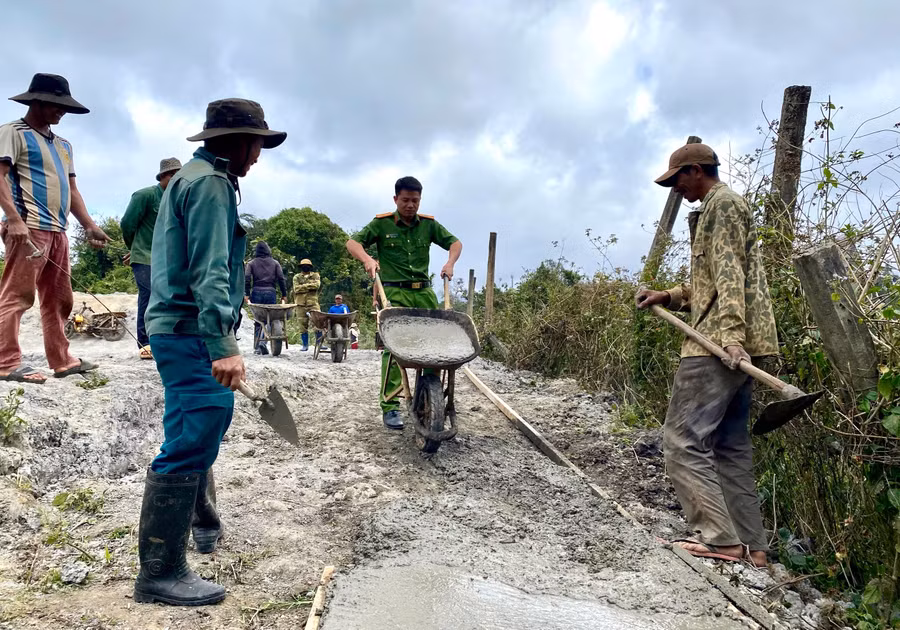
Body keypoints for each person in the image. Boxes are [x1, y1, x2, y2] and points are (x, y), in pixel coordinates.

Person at [136, 98, 285, 606]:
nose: (259, 156)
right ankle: (161, 571)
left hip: (174, 327)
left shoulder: (192, 178)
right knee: (201, 425)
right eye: (258, 145)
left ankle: (190, 539)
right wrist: (223, 344)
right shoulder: (211, 185)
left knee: (189, 428)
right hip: (189, 329)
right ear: (238, 142)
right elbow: (209, 268)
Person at [635, 143, 779, 568]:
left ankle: (720, 540)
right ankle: (753, 549)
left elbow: (731, 276)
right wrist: (669, 295)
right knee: (730, 445)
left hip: (715, 347)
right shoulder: (720, 207)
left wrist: (731, 339)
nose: (675, 190)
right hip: (733, 344)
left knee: (680, 440)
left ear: (696, 171)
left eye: (677, 180)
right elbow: (714, 283)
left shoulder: (723, 206)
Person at [0, 73, 109, 384]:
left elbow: (71, 189)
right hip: (28, 226)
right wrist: (14, 219)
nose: (62, 112)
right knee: (18, 295)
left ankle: (62, 360)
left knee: (60, 299)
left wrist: (89, 225)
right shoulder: (13, 133)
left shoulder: (63, 145)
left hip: (57, 230)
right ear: (37, 102)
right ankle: (6, 362)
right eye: (56, 105)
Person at [346, 176, 461, 429]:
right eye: (406, 200)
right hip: (394, 293)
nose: (411, 205)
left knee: (434, 347)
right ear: (396, 199)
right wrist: (367, 259)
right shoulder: (381, 224)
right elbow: (352, 243)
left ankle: (428, 396)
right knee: (394, 348)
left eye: (415, 201)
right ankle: (390, 405)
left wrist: (450, 263)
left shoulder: (429, 225)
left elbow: (455, 242)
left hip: (424, 294)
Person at [121, 157, 182, 360]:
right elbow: (127, 225)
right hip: (145, 257)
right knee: (148, 296)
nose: (176, 179)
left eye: (178, 175)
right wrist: (135, 249)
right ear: (163, 176)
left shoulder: (178, 199)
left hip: (168, 259)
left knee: (169, 298)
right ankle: (145, 343)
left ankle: (164, 340)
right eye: (172, 175)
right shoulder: (144, 195)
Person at [244, 240, 288, 354]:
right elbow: (281, 279)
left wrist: (246, 294)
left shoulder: (251, 263)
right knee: (270, 319)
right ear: (268, 250)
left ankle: (258, 347)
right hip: (270, 291)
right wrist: (284, 294)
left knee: (258, 319)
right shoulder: (275, 263)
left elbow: (247, 278)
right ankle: (263, 343)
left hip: (257, 291)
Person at [292, 258, 322, 351]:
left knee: (318, 323)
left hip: (313, 303)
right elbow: (296, 289)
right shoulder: (296, 277)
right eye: (303, 266)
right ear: (301, 267)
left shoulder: (315, 275)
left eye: (307, 266)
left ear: (310, 267)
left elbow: (316, 285)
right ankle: (305, 345)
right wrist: (309, 286)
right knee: (302, 325)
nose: (305, 267)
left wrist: (303, 286)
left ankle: (319, 343)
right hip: (300, 304)